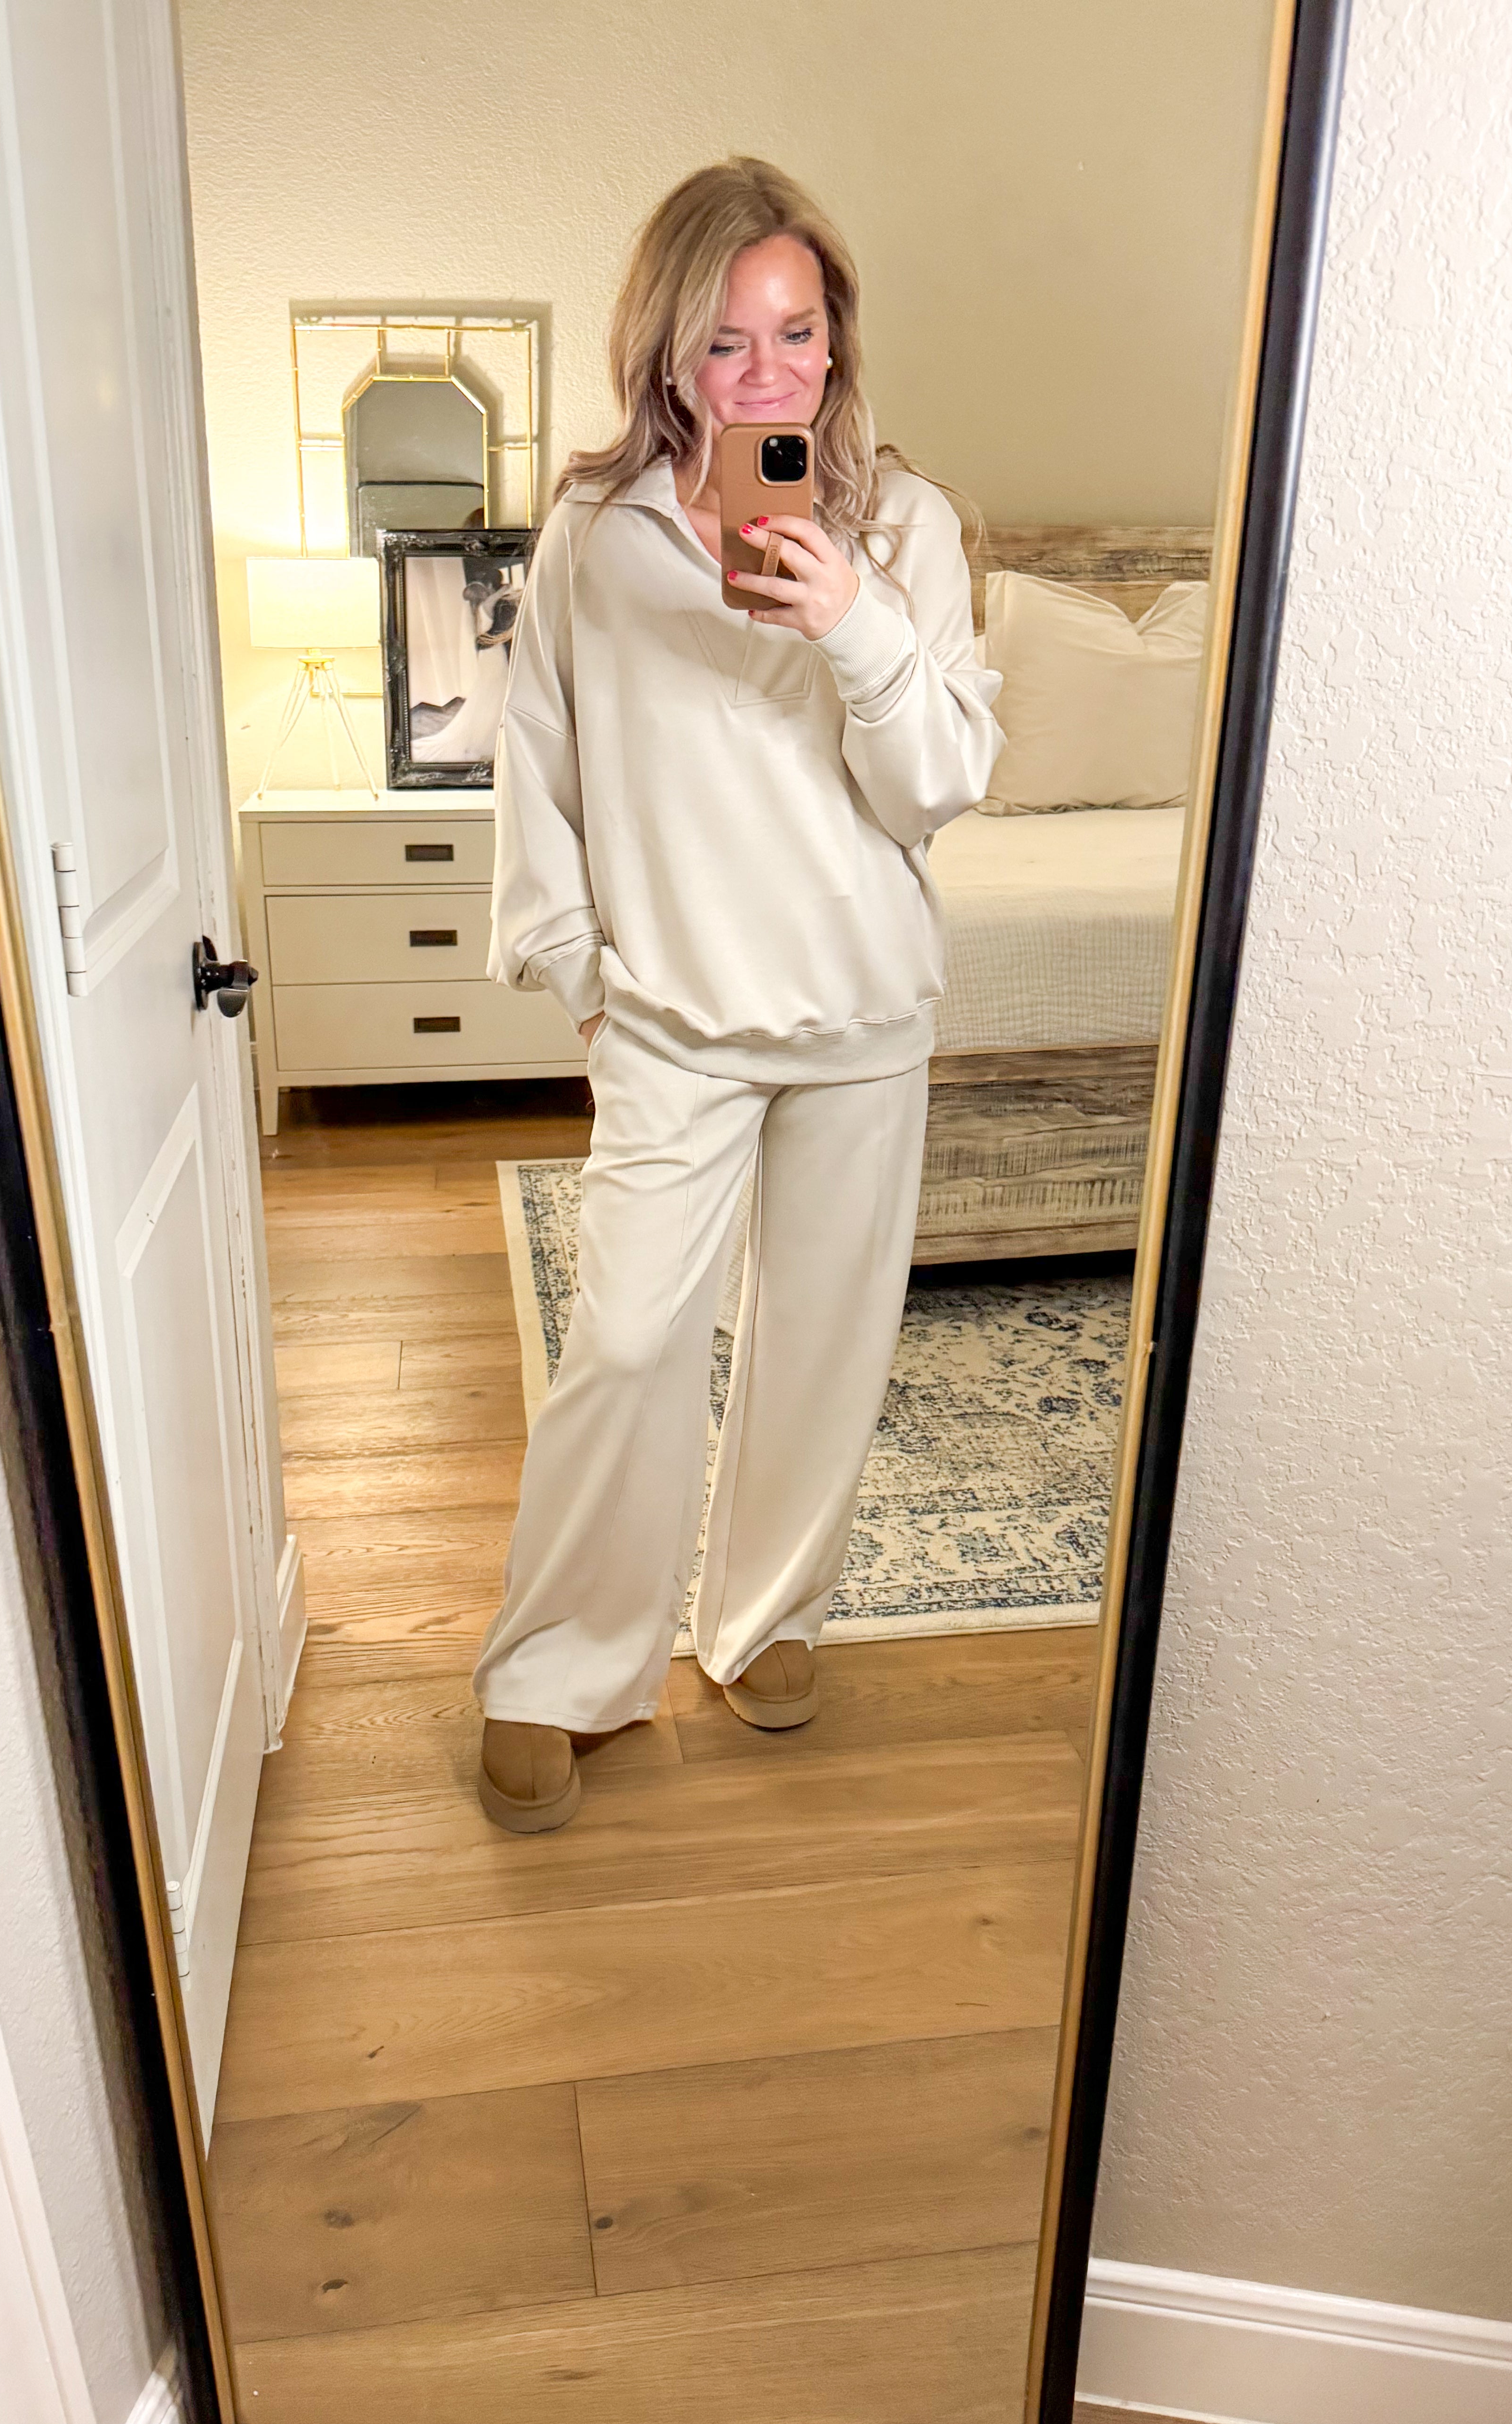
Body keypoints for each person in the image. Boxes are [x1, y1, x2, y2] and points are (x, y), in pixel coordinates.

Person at [470, 155, 1004, 1834]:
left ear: (837, 336)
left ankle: (770, 1614)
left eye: (796, 332)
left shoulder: (904, 528)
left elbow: (934, 786)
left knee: (823, 1347)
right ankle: (560, 1666)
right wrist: (580, 977)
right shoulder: (596, 531)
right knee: (628, 1343)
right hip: (670, 1023)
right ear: (668, 352)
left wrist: (854, 622)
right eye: (724, 341)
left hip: (860, 1016)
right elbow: (538, 765)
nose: (767, 374)